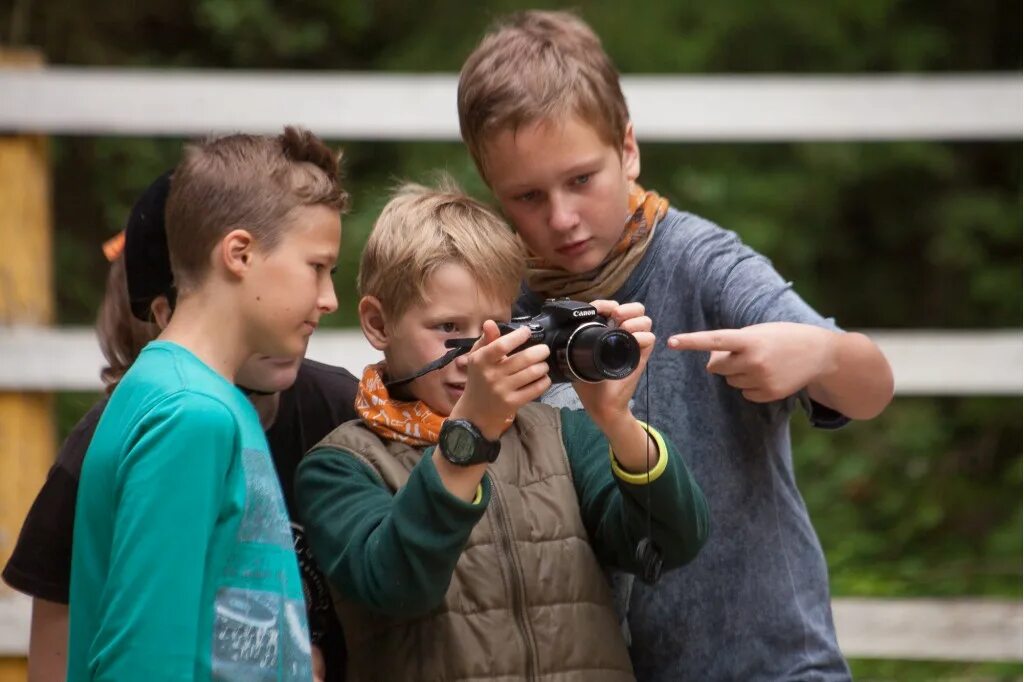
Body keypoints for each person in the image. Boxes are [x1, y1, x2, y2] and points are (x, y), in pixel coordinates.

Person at [457, 11, 895, 682]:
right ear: (494, 193)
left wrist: (821, 354)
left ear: (627, 149)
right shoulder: (507, 308)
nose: (562, 217)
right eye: (527, 196)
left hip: (772, 665)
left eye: (581, 179)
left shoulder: (702, 262)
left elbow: (873, 389)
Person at [294, 181, 709, 681]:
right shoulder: (339, 465)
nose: (475, 354)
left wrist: (616, 421)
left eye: (496, 325)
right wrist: (471, 433)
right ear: (379, 323)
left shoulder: (561, 435)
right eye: (449, 328)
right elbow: (398, 586)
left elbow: (677, 541)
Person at [2, 169, 357, 681]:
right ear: (238, 255)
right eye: (316, 267)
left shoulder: (205, 403)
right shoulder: (192, 417)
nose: (329, 299)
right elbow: (144, 664)